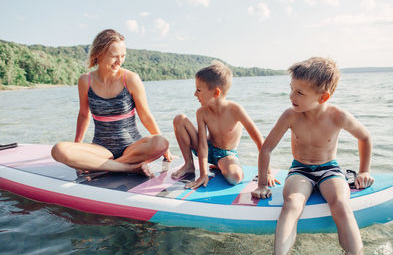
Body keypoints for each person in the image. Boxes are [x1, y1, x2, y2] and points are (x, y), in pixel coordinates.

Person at [251, 57, 374, 255]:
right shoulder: (290, 115)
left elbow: (365, 137)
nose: (292, 95)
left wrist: (364, 171)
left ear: (323, 97)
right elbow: (267, 148)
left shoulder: (338, 116)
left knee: (341, 204)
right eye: (291, 88)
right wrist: (262, 183)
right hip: (300, 170)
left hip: (330, 169)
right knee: (292, 203)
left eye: (299, 92)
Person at [52, 29, 171, 176]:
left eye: (123, 55)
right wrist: (78, 147)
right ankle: (127, 167)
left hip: (133, 148)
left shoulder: (130, 79)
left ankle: (108, 165)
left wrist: (165, 150)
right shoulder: (85, 81)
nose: (119, 61)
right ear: (99, 54)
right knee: (59, 150)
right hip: (101, 149)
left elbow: (145, 116)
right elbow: (84, 115)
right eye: (114, 56)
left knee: (161, 142)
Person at [171, 61, 264, 188]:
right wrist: (203, 174)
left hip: (225, 154)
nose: (195, 94)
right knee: (179, 119)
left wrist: (266, 172)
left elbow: (259, 140)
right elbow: (203, 145)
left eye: (198, 90)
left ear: (216, 93)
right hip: (206, 149)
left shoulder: (235, 110)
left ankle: (220, 165)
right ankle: (189, 165)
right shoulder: (202, 112)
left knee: (235, 177)